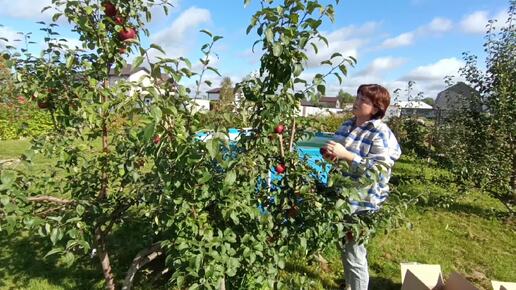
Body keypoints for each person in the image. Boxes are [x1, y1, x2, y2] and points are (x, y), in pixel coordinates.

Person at [322, 84, 401, 290]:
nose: (356, 102)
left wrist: (347, 155)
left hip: (364, 202)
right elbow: (337, 153)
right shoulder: (347, 125)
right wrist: (331, 154)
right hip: (343, 196)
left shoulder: (379, 133)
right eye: (357, 97)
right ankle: (350, 285)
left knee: (355, 252)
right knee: (345, 246)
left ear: (376, 108)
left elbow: (379, 170)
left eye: (363, 100)